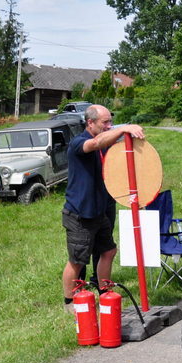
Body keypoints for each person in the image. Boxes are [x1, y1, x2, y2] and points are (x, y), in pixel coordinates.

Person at [61, 105, 144, 312]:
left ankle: (105, 292)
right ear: (90, 123)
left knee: (108, 251)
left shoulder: (106, 143)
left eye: (110, 121)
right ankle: (69, 302)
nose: (109, 126)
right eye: (105, 122)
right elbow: (96, 143)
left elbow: (114, 149)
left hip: (99, 211)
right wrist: (123, 129)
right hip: (80, 213)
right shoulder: (78, 143)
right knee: (77, 261)